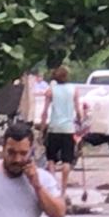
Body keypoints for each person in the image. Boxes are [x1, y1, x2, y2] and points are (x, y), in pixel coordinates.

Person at [38, 66, 83, 201]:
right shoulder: (74, 90)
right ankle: (63, 191)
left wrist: (42, 128)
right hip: (68, 129)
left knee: (51, 159)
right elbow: (78, 110)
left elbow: (45, 112)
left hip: (54, 128)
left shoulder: (50, 91)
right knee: (67, 160)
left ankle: (53, 188)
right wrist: (80, 121)